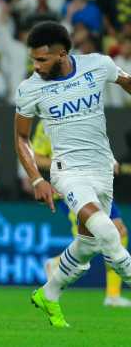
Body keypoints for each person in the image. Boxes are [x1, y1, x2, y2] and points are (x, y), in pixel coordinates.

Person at [14, 21, 131, 327]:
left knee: (88, 245)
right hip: (68, 172)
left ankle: (48, 294)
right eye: (33, 60)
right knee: (110, 233)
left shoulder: (98, 66)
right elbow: (21, 138)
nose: (35, 66)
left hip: (102, 171)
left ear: (62, 53)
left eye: (42, 60)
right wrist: (37, 179)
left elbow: (126, 81)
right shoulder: (30, 89)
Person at [32, 122, 131, 307]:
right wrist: (64, 165)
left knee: (118, 231)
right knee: (92, 242)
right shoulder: (48, 119)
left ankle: (112, 295)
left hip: (95, 180)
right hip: (70, 186)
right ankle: (57, 265)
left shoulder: (85, 109)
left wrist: (109, 159)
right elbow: (36, 158)